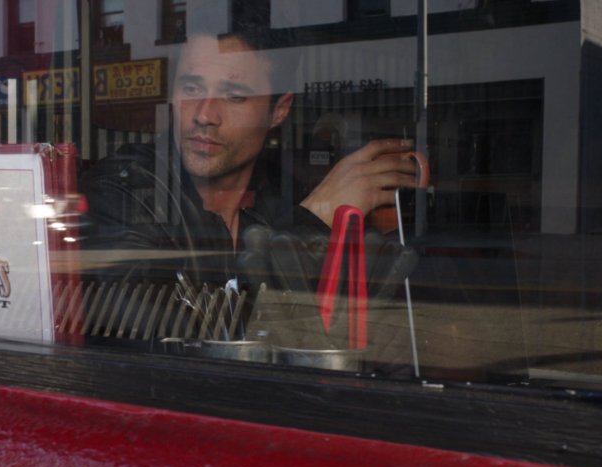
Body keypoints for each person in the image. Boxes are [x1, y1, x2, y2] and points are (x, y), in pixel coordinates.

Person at [80, 28, 418, 346]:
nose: (205, 115)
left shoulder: (280, 197)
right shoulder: (121, 188)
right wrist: (313, 220)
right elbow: (158, 336)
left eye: (234, 96)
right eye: (192, 89)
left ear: (279, 111)